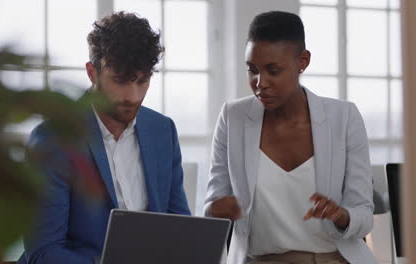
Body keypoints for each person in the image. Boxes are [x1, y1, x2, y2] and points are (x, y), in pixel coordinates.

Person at [204, 11, 376, 264]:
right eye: (252, 70)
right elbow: (212, 208)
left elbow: (364, 215)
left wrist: (341, 216)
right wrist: (220, 210)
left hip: (331, 259)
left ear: (302, 61)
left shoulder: (344, 118)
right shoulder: (233, 118)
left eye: (273, 70)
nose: (260, 83)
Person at [19, 12, 190, 264]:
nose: (132, 96)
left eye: (142, 81)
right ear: (92, 73)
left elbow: (181, 230)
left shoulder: (162, 131)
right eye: (120, 81)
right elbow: (43, 252)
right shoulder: (53, 138)